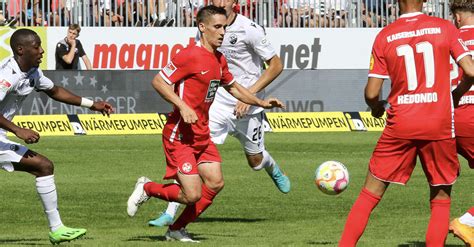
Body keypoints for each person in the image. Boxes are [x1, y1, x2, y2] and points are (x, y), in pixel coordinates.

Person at [126, 5, 284, 242]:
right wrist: (182, 105)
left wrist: (260, 102)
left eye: (224, 27)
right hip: (180, 136)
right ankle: (147, 188)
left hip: (201, 135)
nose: (222, 32)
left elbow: (234, 88)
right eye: (217, 27)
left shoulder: (219, 58)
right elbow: (159, 81)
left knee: (215, 182)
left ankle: (176, 229)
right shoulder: (189, 55)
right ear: (202, 27)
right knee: (191, 194)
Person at [338, 0, 474, 246]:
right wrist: (455, 95)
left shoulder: (385, 35)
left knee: (369, 194)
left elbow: (371, 92)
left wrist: (376, 107)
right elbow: (471, 71)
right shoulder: (444, 28)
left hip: (401, 123)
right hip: (438, 122)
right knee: (440, 198)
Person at [1, 29, 113, 244]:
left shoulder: (32, 72)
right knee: (43, 166)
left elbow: (55, 91)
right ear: (20, 49)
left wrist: (92, 105)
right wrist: (18, 130)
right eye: (36, 47)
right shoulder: (6, 74)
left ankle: (57, 229)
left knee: (43, 167)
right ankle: (57, 229)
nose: (42, 51)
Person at [449, 1, 474, 246]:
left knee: (441, 189)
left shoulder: (445, 37)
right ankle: (467, 221)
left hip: (443, 118)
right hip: (471, 113)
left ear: (456, 17)